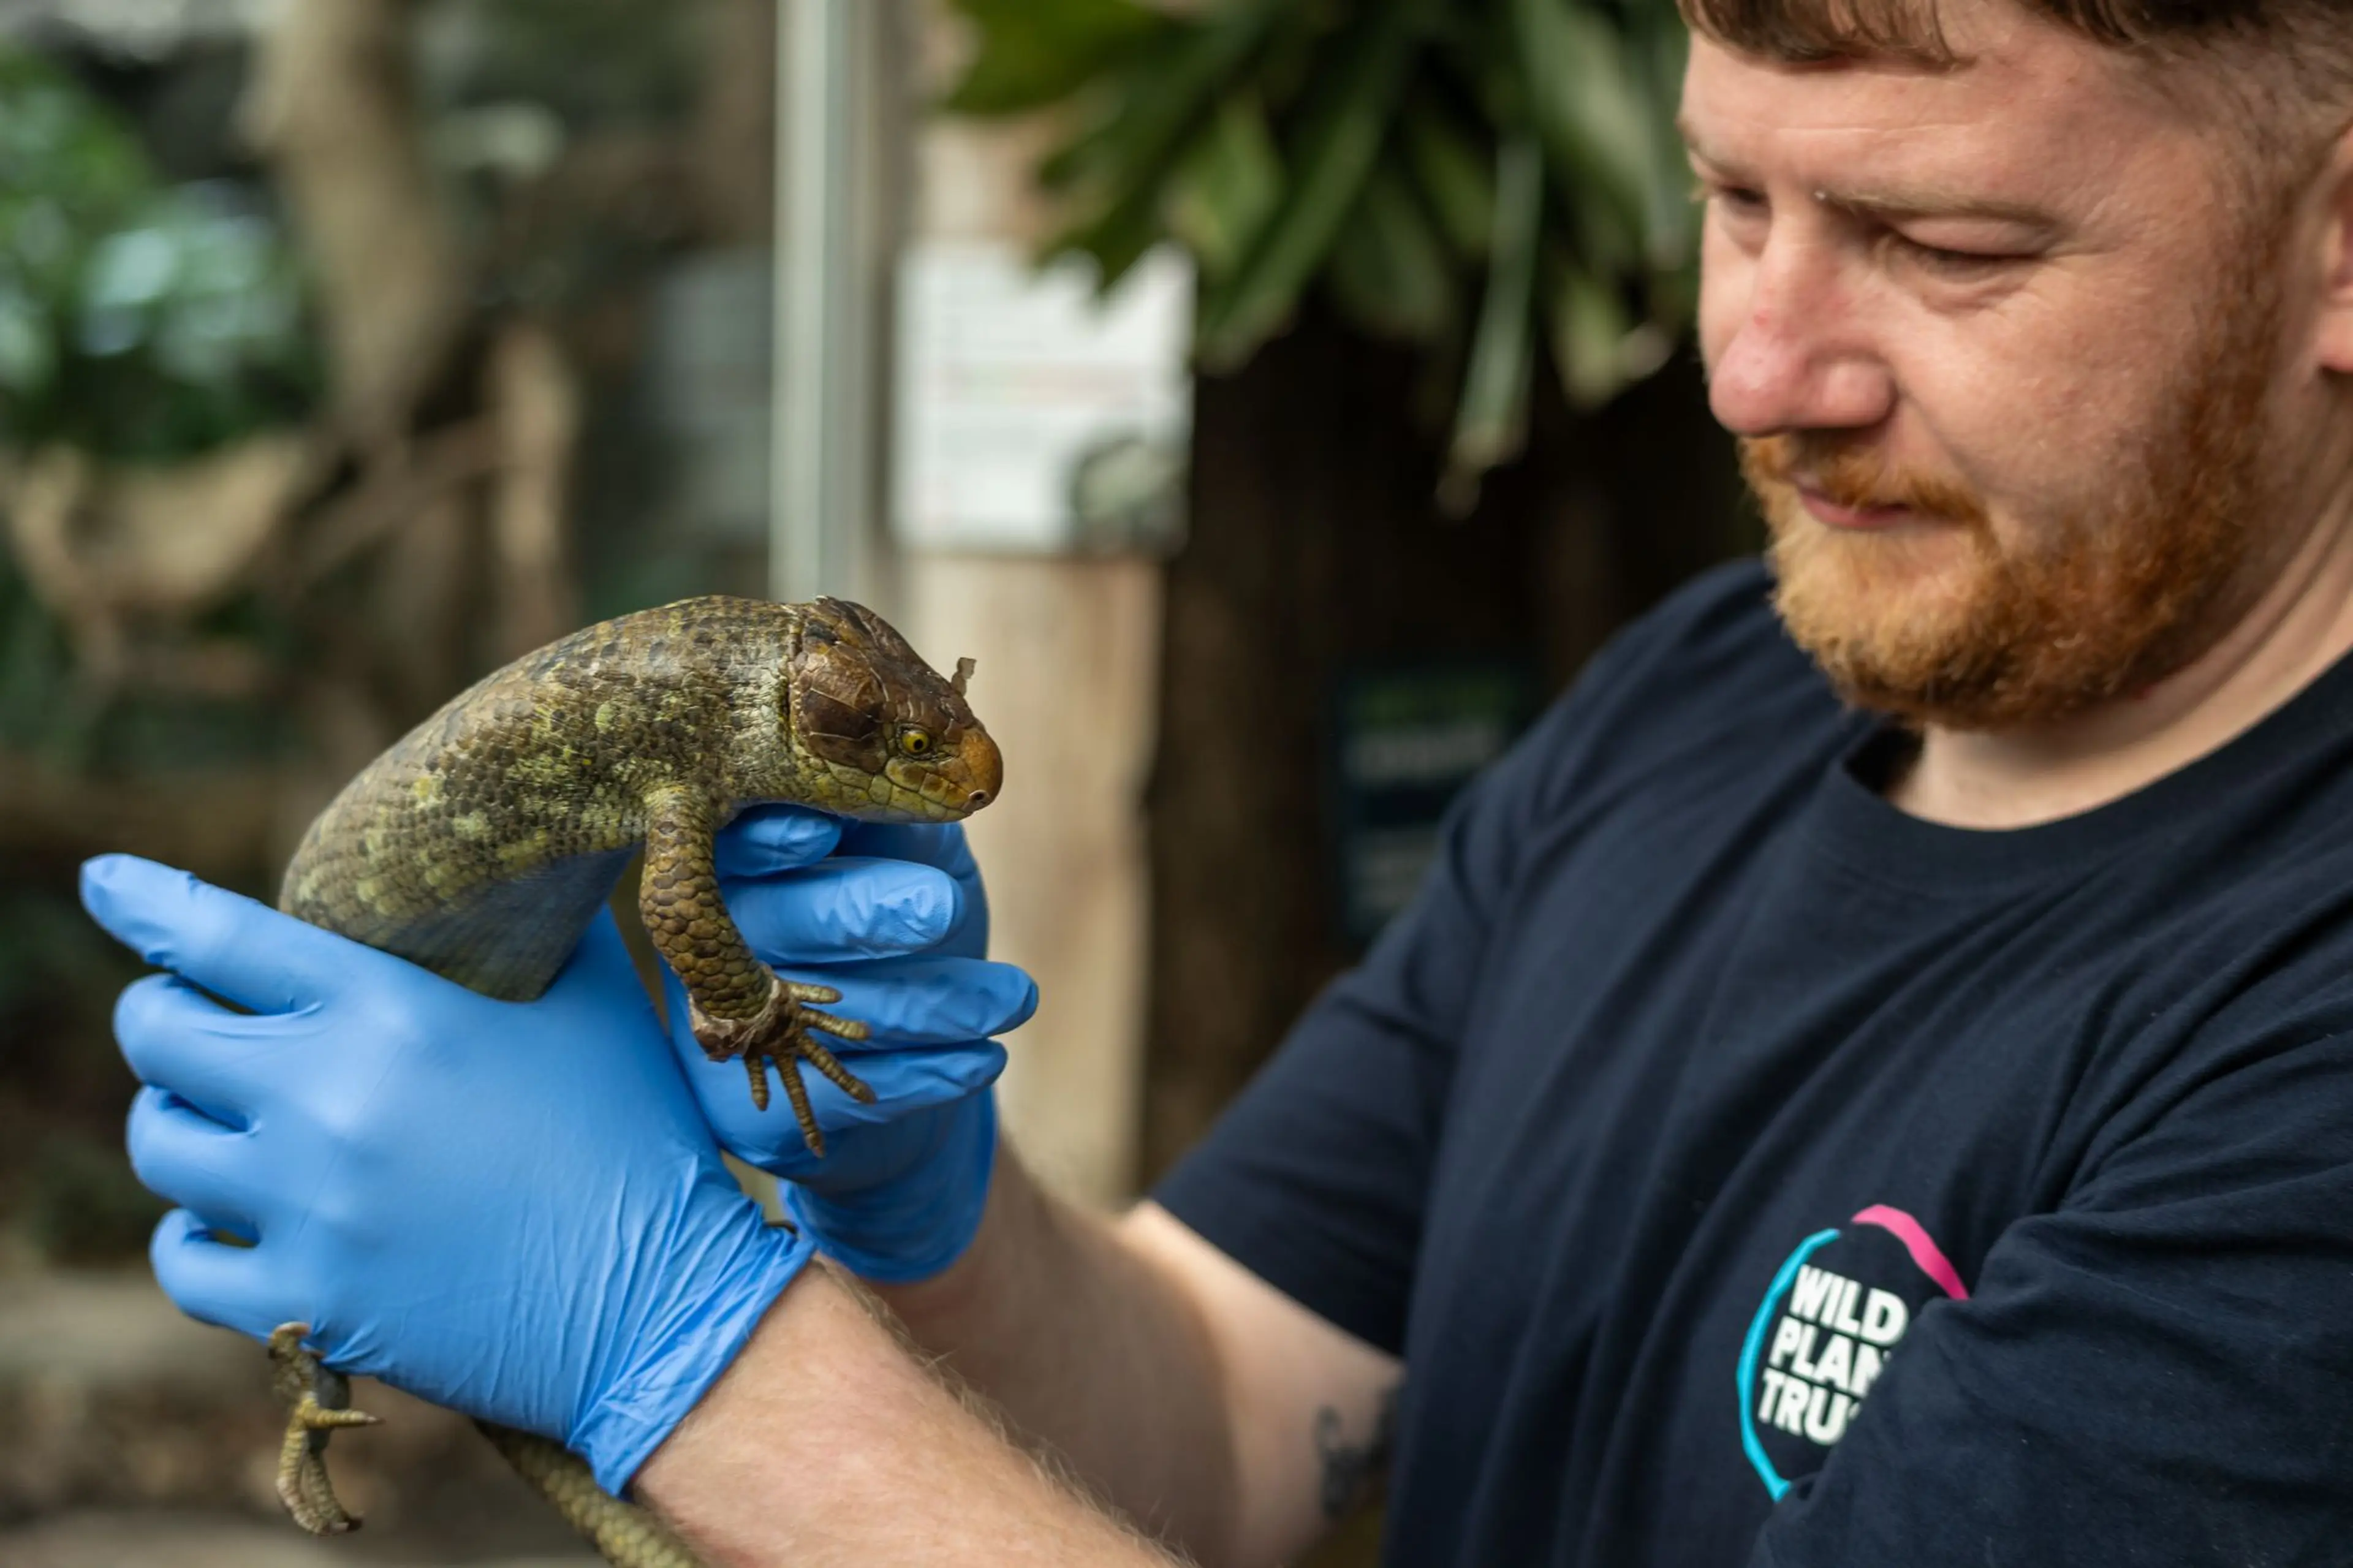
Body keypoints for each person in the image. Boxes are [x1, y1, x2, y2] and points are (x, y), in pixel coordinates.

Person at [77, 0, 2353, 1562]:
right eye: (1730, 198)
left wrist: (684, 1348)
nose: (1754, 364)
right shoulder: (1699, 701)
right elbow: (1237, 1403)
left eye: (1946, 244)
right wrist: (927, 1237)